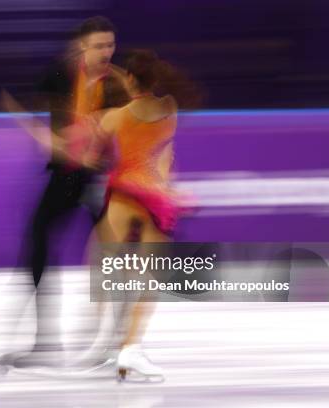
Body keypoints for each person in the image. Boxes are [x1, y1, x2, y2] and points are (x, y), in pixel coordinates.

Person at [0, 16, 130, 370]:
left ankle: (118, 344)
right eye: (99, 45)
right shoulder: (59, 74)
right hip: (67, 177)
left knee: (114, 255)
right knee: (38, 240)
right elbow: (28, 111)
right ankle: (45, 342)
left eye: (110, 45)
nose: (106, 52)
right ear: (81, 47)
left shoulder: (117, 84)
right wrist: (43, 134)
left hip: (101, 177)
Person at [94, 49, 199, 380]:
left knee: (114, 268)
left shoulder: (112, 117)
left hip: (123, 195)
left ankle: (113, 344)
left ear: (128, 79)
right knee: (150, 278)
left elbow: (95, 155)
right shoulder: (170, 108)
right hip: (156, 198)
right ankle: (130, 347)